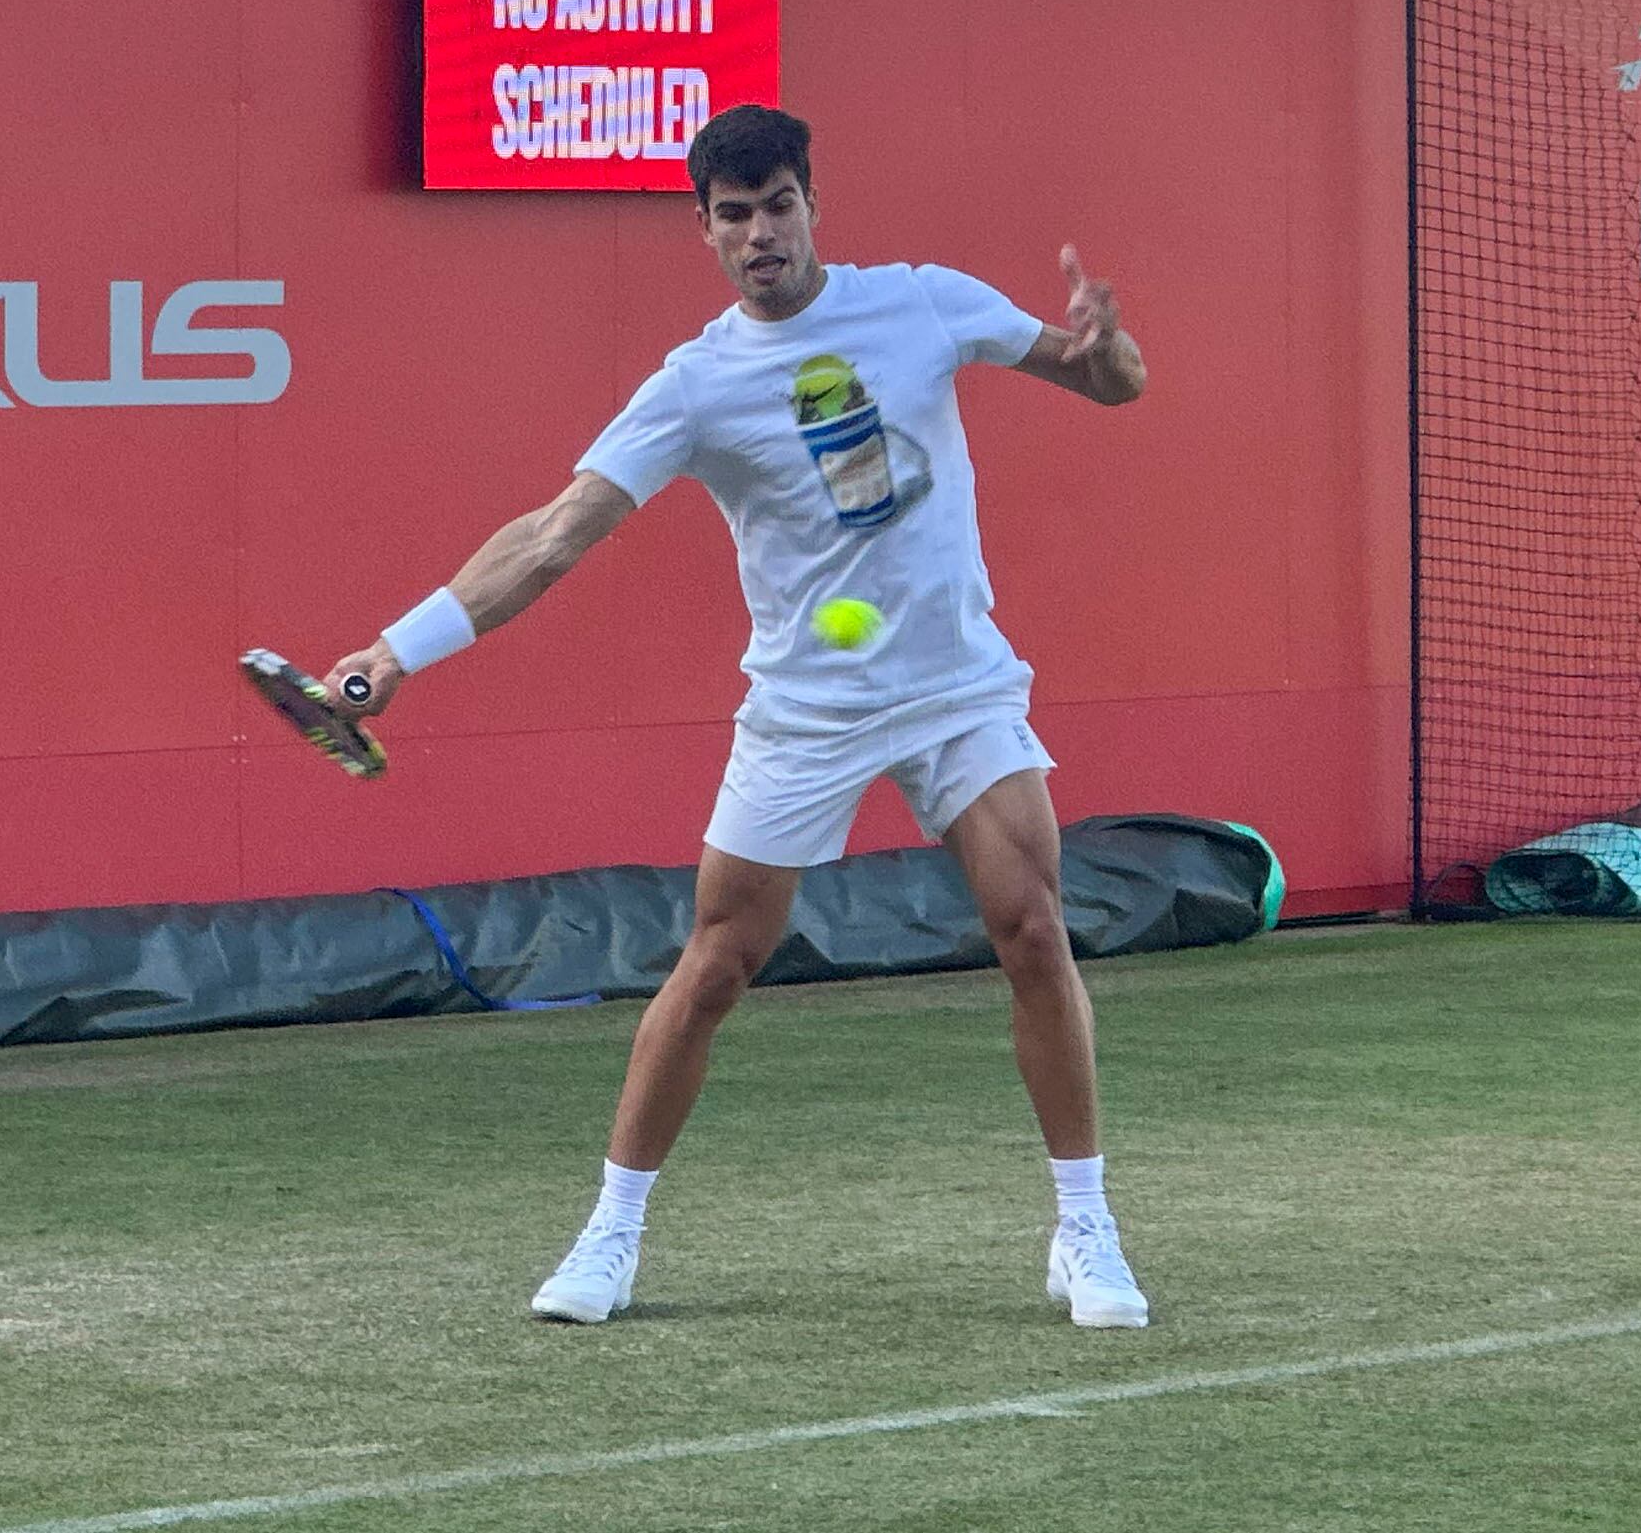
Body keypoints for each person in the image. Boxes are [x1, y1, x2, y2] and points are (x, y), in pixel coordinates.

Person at [323, 105, 1152, 1328]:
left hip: (956, 685)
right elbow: (552, 539)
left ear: (812, 202)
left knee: (1031, 925)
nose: (759, 232)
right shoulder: (697, 384)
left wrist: (1104, 346)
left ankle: (1084, 1228)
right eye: (733, 215)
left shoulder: (922, 300)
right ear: (703, 232)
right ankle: (610, 1233)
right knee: (716, 964)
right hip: (805, 707)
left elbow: (1110, 388)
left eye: (777, 205)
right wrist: (392, 652)